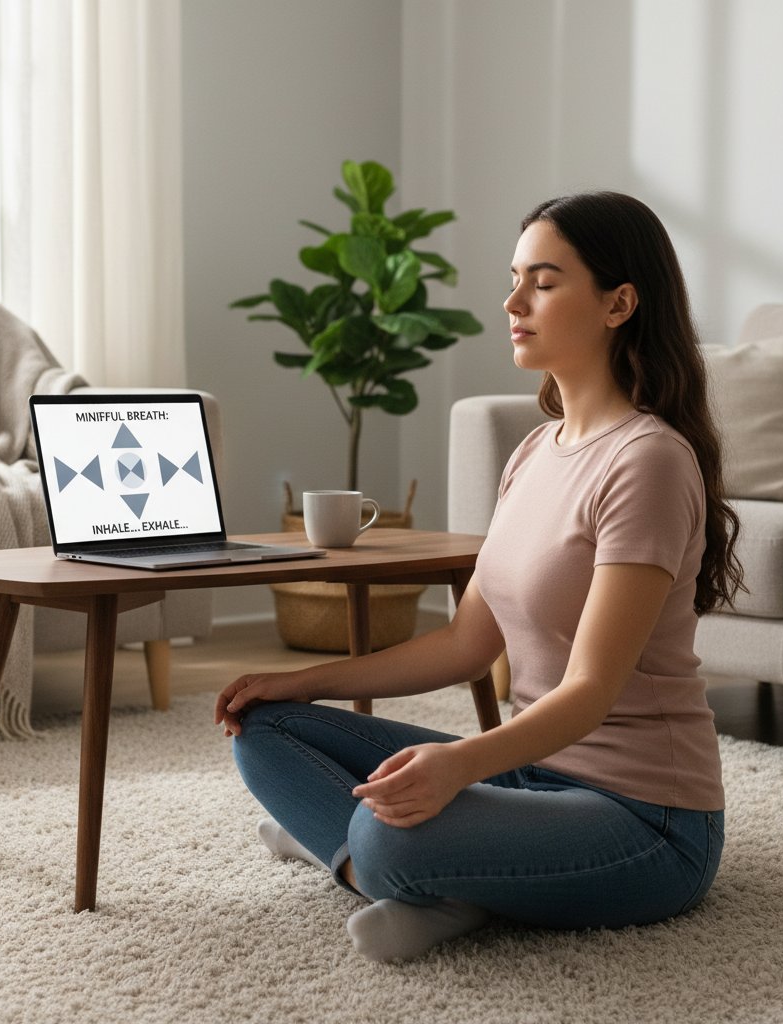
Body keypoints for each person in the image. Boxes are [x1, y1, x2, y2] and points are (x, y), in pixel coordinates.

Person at [214, 191, 744, 963]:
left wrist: (460, 764)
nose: (512, 302)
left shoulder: (648, 462)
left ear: (619, 303)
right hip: (533, 774)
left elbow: (592, 690)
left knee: (380, 829)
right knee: (268, 730)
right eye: (515, 277)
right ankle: (437, 881)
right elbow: (466, 645)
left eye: (545, 281)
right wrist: (301, 682)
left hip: (646, 819)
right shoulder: (534, 452)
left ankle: (379, 866)